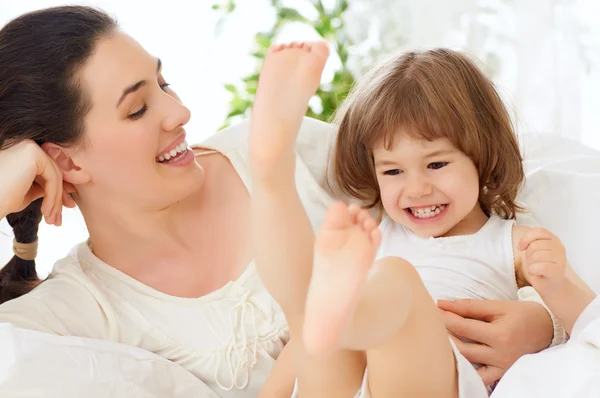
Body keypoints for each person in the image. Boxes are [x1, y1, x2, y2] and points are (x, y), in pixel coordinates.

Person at [0, 5, 563, 397]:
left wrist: (541, 324)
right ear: (68, 162)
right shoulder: (76, 309)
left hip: (421, 373)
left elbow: (462, 201)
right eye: (138, 109)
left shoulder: (294, 149)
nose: (181, 115)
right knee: (333, 322)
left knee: (378, 288)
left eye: (164, 84)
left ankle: (318, 309)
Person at [248, 43, 596, 398]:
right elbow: (300, 351)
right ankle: (271, 172)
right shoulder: (368, 239)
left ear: (482, 155)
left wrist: (553, 288)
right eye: (394, 170)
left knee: (388, 279)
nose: (417, 189)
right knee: (312, 311)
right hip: (343, 386)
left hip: (431, 385)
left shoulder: (515, 242)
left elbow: (590, 324)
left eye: (436, 165)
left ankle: (340, 315)